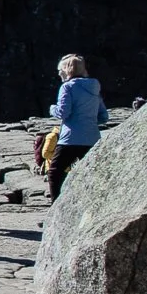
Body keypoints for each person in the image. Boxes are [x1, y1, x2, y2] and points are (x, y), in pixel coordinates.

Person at [48, 54, 108, 200]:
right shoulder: (94, 87)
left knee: (55, 173)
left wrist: (52, 109)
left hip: (70, 139)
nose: (58, 73)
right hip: (92, 139)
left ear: (67, 70)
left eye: (60, 70)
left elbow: (63, 112)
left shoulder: (67, 87)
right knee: (93, 175)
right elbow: (104, 117)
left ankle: (55, 213)